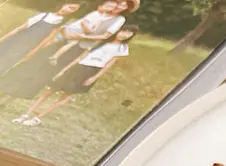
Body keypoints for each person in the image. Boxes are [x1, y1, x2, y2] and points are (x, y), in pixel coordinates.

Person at [0, 1, 132, 104]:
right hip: (61, 39)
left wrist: (80, 37)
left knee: (44, 73)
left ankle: (9, 100)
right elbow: (67, 24)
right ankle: (3, 90)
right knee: (31, 65)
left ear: (126, 8)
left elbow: (103, 36)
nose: (118, 6)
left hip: (76, 46)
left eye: (123, 4)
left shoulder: (118, 20)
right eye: (117, 2)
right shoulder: (94, 11)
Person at [15, 25, 137, 126]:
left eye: (129, 33)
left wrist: (94, 77)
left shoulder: (123, 48)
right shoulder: (100, 41)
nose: (124, 34)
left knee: (66, 95)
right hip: (79, 66)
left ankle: (38, 117)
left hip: (92, 70)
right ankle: (27, 113)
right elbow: (81, 56)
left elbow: (109, 64)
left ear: (131, 36)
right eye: (124, 31)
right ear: (119, 30)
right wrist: (64, 70)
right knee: (50, 90)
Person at [0, 4, 82, 75]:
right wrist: (4, 37)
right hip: (17, 38)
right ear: (65, 4)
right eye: (70, 7)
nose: (70, 11)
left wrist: (34, 50)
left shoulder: (59, 23)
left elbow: (46, 40)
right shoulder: (44, 15)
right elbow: (22, 27)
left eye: (73, 10)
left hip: (27, 45)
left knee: (8, 60)